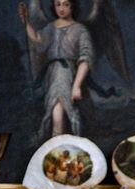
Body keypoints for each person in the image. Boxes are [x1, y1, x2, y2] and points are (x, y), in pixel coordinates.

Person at [20, 0, 93, 143]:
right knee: (56, 115)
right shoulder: (51, 28)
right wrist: (26, 21)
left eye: (65, 4)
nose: (61, 9)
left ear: (72, 6)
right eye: (58, 4)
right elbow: (37, 39)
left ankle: (60, 151)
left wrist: (77, 86)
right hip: (53, 75)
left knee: (60, 117)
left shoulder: (80, 30)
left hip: (68, 74)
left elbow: (85, 59)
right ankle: (58, 152)